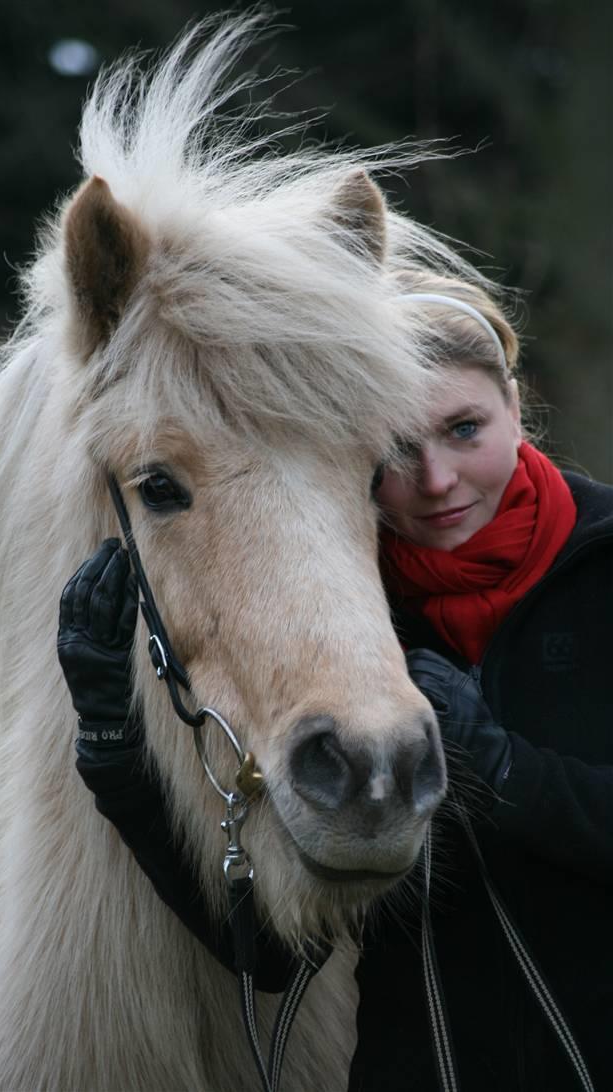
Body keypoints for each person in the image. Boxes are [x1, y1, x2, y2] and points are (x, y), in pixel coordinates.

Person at [57, 271, 613, 1091]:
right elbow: (268, 956)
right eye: (394, 450)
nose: (435, 481)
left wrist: (500, 770)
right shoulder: (352, 620)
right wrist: (110, 742)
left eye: (465, 429)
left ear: (517, 407)